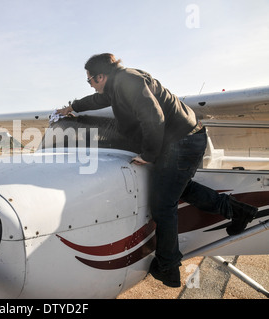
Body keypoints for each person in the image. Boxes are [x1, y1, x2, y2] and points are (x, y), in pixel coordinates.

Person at [57, 53, 258, 288]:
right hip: (179, 140)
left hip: (183, 141)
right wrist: (72, 107)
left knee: (163, 205)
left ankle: (168, 266)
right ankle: (238, 211)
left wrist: (148, 155)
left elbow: (154, 117)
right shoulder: (117, 85)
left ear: (101, 76)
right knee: (178, 188)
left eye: (90, 80)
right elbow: (97, 100)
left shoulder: (127, 81)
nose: (90, 84)